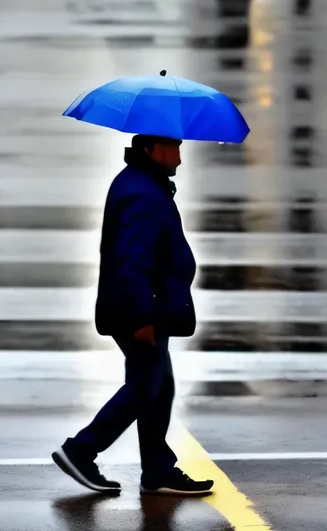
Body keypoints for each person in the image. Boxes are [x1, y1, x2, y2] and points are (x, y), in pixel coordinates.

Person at [52, 133, 214, 497]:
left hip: (145, 305)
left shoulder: (146, 185)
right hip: (141, 308)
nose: (179, 157)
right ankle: (81, 450)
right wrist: (142, 317)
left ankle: (157, 469)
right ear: (150, 149)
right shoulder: (141, 192)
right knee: (146, 386)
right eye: (173, 148)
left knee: (158, 385)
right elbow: (132, 260)